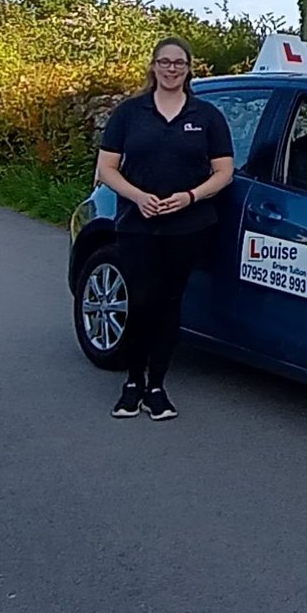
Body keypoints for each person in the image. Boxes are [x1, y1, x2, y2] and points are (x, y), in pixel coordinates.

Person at [96, 37, 234, 420]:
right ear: (153, 67)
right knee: (141, 301)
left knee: (169, 304)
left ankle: (157, 386)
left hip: (188, 225)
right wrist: (137, 196)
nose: (171, 69)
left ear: (189, 68)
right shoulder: (129, 114)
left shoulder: (207, 116)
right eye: (164, 62)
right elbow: (107, 168)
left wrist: (191, 196)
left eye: (179, 63)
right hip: (137, 224)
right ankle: (132, 383)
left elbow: (224, 172)